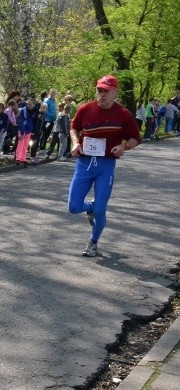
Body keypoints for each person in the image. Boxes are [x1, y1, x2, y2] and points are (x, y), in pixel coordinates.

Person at [67, 75, 141, 257]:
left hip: (105, 165)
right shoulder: (85, 109)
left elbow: (136, 138)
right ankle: (89, 208)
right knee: (74, 207)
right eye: (99, 90)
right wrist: (75, 143)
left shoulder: (123, 114)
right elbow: (73, 127)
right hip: (84, 163)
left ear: (115, 92)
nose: (102, 95)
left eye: (106, 91)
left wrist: (124, 147)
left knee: (101, 210)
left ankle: (93, 242)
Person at [15, 96, 35, 167]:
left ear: (33, 105)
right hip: (23, 130)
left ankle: (23, 159)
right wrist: (21, 131)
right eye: (28, 104)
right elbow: (21, 121)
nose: (29, 106)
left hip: (29, 130)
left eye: (30, 104)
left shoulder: (34, 111)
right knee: (20, 144)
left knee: (26, 145)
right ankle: (18, 158)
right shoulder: (23, 110)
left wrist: (33, 130)